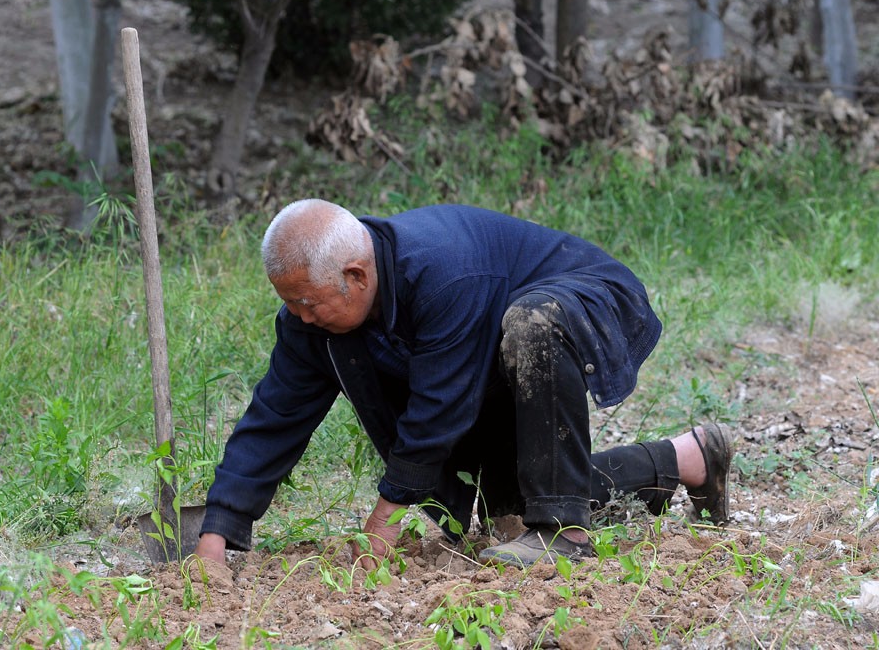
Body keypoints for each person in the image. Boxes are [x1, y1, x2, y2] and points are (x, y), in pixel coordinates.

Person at [194, 199, 733, 568]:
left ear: (356, 276)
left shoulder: (442, 272)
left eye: (308, 303)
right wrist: (217, 534)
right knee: (511, 519)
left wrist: (382, 525)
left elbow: (440, 403)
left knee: (533, 322)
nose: (300, 317)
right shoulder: (311, 318)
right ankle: (687, 458)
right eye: (289, 303)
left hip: (581, 299)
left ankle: (563, 534)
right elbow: (276, 415)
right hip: (496, 354)